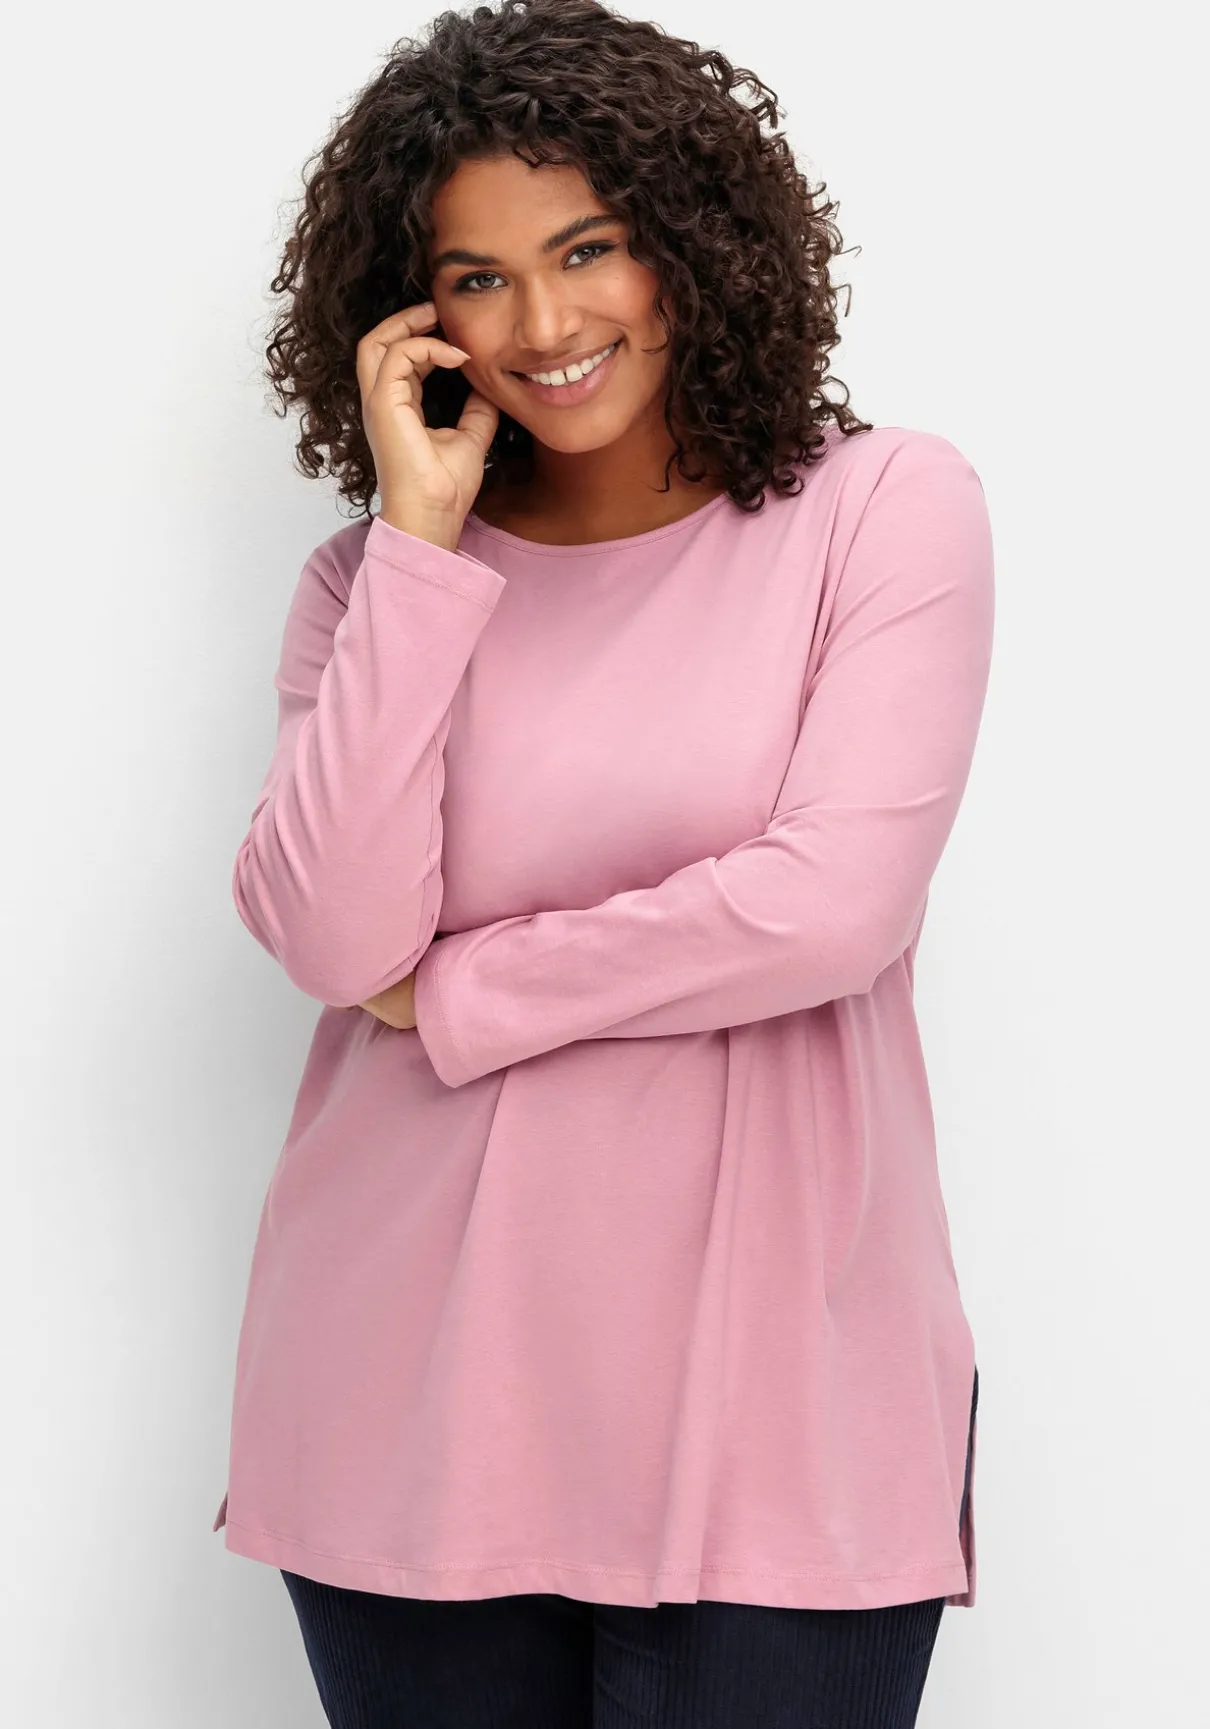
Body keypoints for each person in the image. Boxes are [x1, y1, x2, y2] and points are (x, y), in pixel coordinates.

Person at [212, 1, 993, 1723]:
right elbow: (336, 940)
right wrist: (421, 543)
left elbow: (830, 908)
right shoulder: (367, 587)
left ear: (689, 242)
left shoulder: (878, 510)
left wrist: (462, 990)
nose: (547, 325)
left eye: (587, 250)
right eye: (477, 279)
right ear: (412, 317)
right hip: (408, 1387)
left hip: (779, 1401)